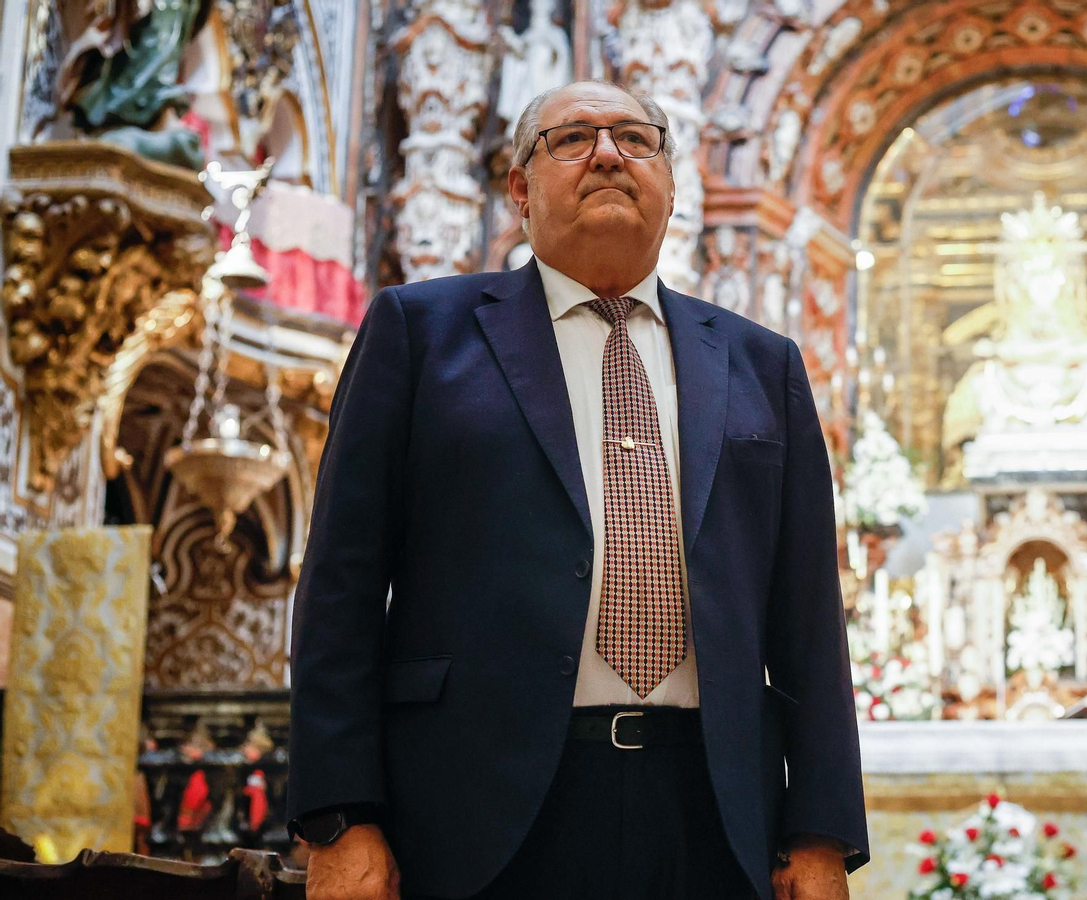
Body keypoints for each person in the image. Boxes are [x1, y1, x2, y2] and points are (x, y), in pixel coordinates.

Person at [287, 80, 868, 900]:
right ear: (519, 188)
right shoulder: (420, 334)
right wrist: (339, 817)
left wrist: (821, 831)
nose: (606, 154)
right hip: (476, 803)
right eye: (571, 139)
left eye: (636, 139)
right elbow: (340, 587)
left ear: (673, 186)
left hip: (713, 810)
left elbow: (808, 614)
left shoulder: (760, 362)